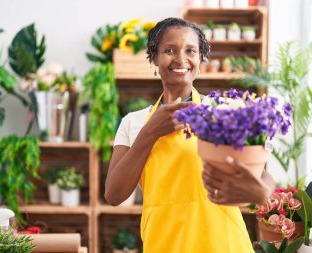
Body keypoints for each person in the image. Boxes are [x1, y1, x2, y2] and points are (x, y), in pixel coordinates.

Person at [105, 17, 275, 253]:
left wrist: (263, 192)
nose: (181, 58)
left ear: (200, 59)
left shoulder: (223, 111)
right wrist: (150, 132)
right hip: (164, 245)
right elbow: (114, 195)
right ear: (154, 57)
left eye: (190, 50)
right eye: (169, 50)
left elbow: (263, 175)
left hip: (223, 243)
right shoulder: (133, 123)